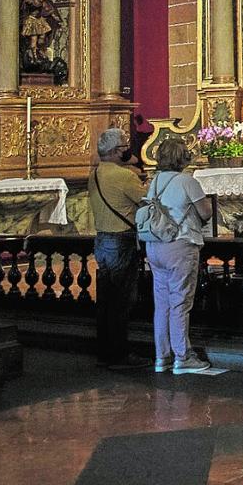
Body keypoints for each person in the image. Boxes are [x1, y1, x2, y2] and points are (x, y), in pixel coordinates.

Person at [144, 138, 213, 374]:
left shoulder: (154, 182)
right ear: (182, 157)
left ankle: (162, 357)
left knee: (161, 304)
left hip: (155, 246)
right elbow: (206, 212)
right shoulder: (187, 181)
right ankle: (183, 357)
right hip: (180, 245)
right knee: (180, 302)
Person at [89, 127, 148, 369]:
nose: (127, 150)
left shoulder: (94, 174)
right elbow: (146, 201)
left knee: (105, 301)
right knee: (122, 301)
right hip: (121, 242)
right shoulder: (124, 177)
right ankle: (120, 354)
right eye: (124, 147)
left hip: (102, 240)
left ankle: (105, 352)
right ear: (114, 152)